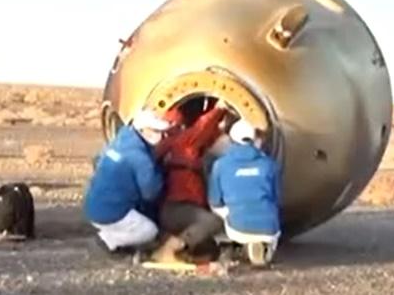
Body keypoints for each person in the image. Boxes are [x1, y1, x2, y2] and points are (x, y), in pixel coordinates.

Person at [150, 100, 229, 264]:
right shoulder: (184, 143)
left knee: (208, 244)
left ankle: (175, 245)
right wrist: (219, 109)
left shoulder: (164, 146)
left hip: (168, 210)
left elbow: (204, 133)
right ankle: (168, 250)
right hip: (180, 208)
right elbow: (202, 128)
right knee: (213, 222)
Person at [83, 109, 170, 257]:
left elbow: (97, 161)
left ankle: (118, 239)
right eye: (155, 130)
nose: (160, 136)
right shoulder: (140, 158)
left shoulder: (119, 141)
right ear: (142, 130)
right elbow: (151, 192)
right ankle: (106, 241)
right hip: (111, 212)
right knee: (149, 231)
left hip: (92, 206)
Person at [208, 119, 282, 267]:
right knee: (268, 206)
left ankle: (232, 243)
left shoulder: (220, 164)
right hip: (270, 227)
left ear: (231, 139)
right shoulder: (269, 164)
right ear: (254, 139)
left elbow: (215, 200)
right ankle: (263, 246)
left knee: (217, 207)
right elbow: (277, 198)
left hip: (238, 226)